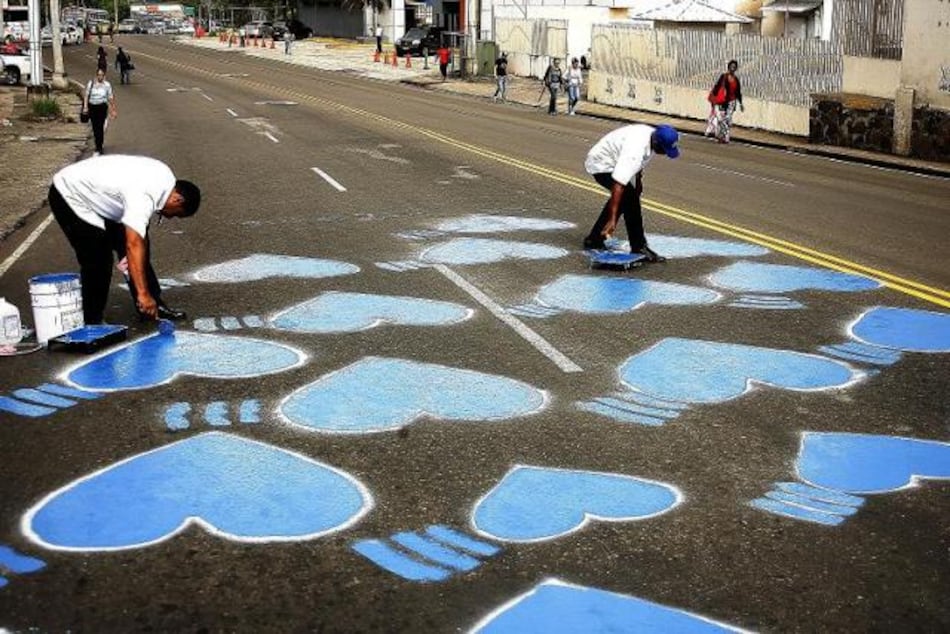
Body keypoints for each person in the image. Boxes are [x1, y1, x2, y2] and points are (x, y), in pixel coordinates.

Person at [48, 155, 201, 323]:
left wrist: (147, 293)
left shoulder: (165, 180)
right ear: (177, 199)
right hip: (71, 194)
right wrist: (142, 294)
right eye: (176, 214)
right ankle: (92, 319)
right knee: (98, 257)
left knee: (141, 247)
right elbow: (132, 244)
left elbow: (139, 242)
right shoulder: (145, 195)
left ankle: (152, 305)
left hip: (102, 197)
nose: (171, 218)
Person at [583, 124, 681, 262]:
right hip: (601, 164)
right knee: (629, 200)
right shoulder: (635, 150)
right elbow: (618, 185)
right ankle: (638, 246)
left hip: (615, 159)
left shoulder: (652, 137)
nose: (665, 153)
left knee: (629, 197)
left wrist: (638, 184)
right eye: (664, 150)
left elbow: (639, 165)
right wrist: (612, 220)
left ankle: (594, 238)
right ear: (656, 143)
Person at [705, 59, 744, 144]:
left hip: (732, 102)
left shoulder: (736, 79)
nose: (732, 68)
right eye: (731, 66)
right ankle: (721, 136)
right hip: (723, 101)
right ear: (728, 67)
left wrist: (740, 103)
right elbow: (717, 87)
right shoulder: (724, 76)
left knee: (728, 119)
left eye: (734, 67)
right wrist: (713, 99)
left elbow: (738, 92)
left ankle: (726, 137)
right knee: (721, 120)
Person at [82, 68, 116, 155]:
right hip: (93, 107)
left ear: (104, 76)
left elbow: (110, 97)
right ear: (96, 75)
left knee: (100, 127)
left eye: (102, 75)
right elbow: (86, 95)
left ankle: (99, 146)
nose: (100, 77)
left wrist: (113, 109)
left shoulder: (107, 85)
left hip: (102, 107)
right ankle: (97, 143)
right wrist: (85, 107)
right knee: (94, 127)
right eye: (99, 75)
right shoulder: (91, 84)